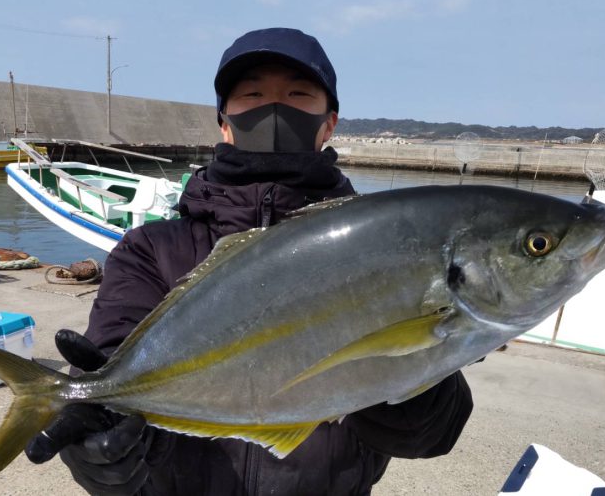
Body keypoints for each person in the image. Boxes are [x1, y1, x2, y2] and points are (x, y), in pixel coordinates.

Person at [24, 28, 473, 495]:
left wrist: (405, 377)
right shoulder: (151, 249)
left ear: (330, 122)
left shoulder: (377, 246)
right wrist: (100, 437)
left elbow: (432, 434)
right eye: (252, 95)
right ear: (223, 121)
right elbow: (112, 358)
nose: (274, 109)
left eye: (298, 95)